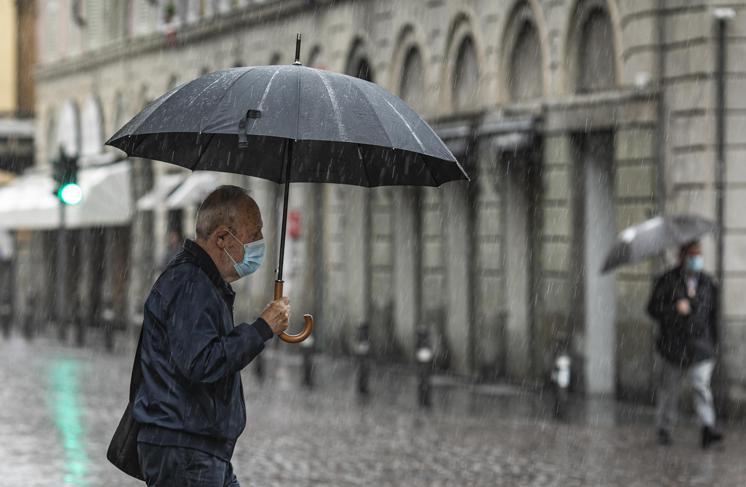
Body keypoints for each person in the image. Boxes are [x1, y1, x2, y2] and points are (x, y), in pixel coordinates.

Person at [133, 185, 290, 486]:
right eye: (254, 233)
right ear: (221, 238)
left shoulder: (203, 282)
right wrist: (261, 328)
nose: (260, 243)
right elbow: (201, 362)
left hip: (200, 448)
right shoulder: (192, 284)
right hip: (188, 451)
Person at [647, 240, 724, 449]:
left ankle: (707, 428)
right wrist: (674, 308)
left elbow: (713, 315)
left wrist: (714, 343)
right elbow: (653, 309)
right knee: (669, 390)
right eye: (692, 255)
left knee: (701, 386)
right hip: (673, 346)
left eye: (698, 255)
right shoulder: (667, 281)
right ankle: (664, 427)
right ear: (682, 257)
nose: (696, 259)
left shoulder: (708, 283)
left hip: (701, 345)